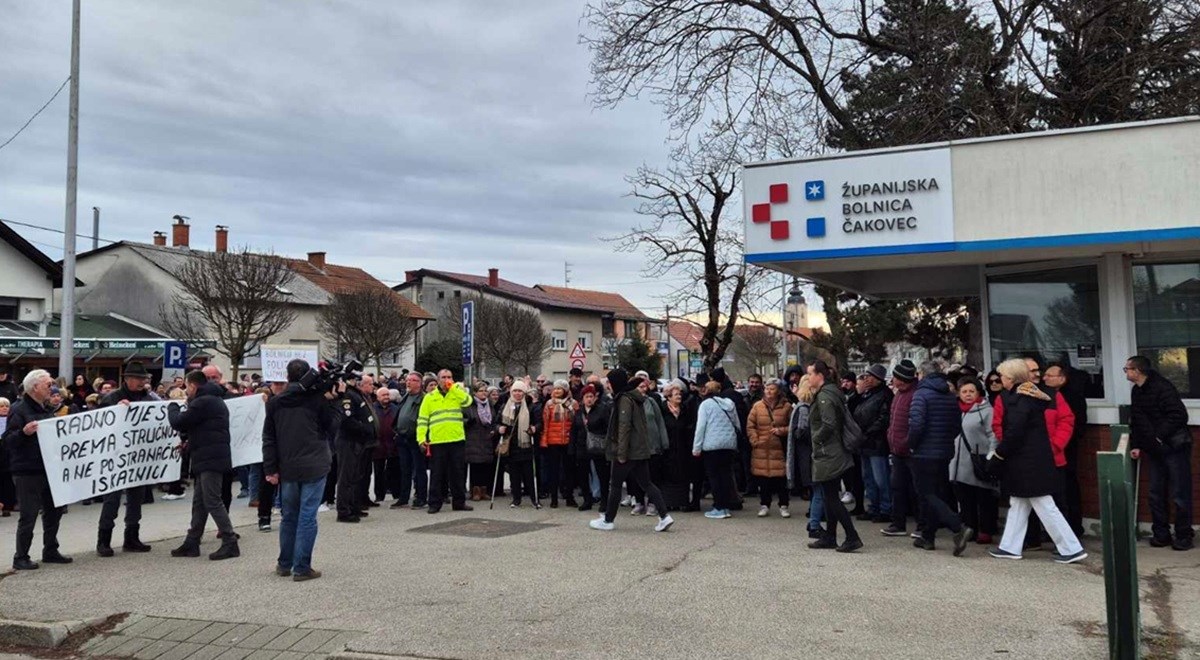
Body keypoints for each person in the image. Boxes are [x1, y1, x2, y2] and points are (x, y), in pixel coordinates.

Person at [988, 359, 1087, 563]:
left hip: (1027, 461)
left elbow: (1014, 432)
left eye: (1004, 376)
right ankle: (1010, 546)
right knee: (1019, 503)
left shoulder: (1019, 399)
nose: (1001, 380)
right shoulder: (1030, 396)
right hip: (1032, 459)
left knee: (1043, 503)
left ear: (1012, 377)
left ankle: (1070, 548)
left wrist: (999, 454)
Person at [262, 359, 336, 581]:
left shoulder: (276, 402)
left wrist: (270, 467)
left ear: (287, 376)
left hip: (288, 466)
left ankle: (285, 563)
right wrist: (336, 400)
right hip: (314, 464)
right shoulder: (316, 399)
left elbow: (269, 437)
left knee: (289, 516)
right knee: (307, 516)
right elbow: (332, 426)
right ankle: (302, 567)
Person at [590, 369, 674, 532]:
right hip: (639, 449)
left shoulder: (624, 399)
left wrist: (621, 453)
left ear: (615, 383)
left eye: (609, 382)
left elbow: (624, 427)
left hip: (628, 451)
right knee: (647, 483)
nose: (608, 385)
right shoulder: (635, 398)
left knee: (615, 485)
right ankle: (664, 516)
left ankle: (608, 520)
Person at [167, 370, 239, 560]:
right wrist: (190, 444)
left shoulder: (203, 401)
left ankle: (230, 541)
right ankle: (192, 541)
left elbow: (179, 422)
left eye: (187, 387)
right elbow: (204, 429)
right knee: (200, 502)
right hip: (208, 456)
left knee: (212, 500)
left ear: (193, 385)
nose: (186, 391)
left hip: (210, 459)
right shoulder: (213, 400)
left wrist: (172, 407)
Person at [5, 370, 72, 570]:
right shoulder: (19, 409)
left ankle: (50, 549)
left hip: (49, 468)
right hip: (28, 471)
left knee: (54, 511)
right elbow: (8, 441)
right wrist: (24, 433)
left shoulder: (46, 408)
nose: (51, 388)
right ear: (35, 387)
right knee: (29, 514)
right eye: (47, 384)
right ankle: (21, 556)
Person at [1127, 355, 1193, 551]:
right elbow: (1137, 419)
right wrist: (1137, 444)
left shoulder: (1162, 387)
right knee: (1155, 493)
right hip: (1155, 448)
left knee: (1179, 493)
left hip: (1174, 446)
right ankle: (1161, 534)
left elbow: (1179, 415)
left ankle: (1183, 535)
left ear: (1137, 371)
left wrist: (1158, 436)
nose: (1126, 372)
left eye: (1127, 369)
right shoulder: (1137, 391)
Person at [908, 362, 972, 555]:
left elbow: (916, 424)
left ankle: (957, 526)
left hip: (924, 452)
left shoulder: (921, 394)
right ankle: (928, 536)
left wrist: (912, 443)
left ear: (922, 374)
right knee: (935, 493)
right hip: (944, 451)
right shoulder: (949, 395)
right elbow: (955, 425)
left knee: (926, 493)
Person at [95, 361, 156, 557]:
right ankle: (103, 541)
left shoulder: (148, 399)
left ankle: (131, 537)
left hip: (137, 457)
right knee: (112, 500)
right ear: (127, 379)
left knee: (136, 499)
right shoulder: (112, 398)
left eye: (143, 379)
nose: (142, 382)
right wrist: (116, 410)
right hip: (115, 457)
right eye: (138, 379)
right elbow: (98, 424)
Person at [806, 361, 861, 553]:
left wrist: (816, 438)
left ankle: (852, 536)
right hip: (832, 451)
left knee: (831, 497)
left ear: (820, 375)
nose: (808, 378)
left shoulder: (824, 397)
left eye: (810, 374)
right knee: (829, 495)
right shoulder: (831, 392)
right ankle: (830, 536)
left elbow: (829, 424)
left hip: (829, 452)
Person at [950, 378, 999, 545]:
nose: (968, 395)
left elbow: (993, 434)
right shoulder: (955, 410)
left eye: (972, 391)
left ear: (978, 392)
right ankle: (969, 528)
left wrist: (992, 453)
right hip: (957, 461)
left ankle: (986, 530)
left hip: (979, 459)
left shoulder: (986, 411)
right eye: (964, 392)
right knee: (965, 498)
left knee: (984, 497)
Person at [417, 370, 473, 514]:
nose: (446, 379)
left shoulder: (456, 393)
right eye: (444, 377)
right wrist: (421, 439)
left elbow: (468, 402)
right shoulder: (429, 397)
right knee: (437, 474)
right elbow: (422, 420)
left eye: (449, 377)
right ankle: (434, 503)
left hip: (456, 439)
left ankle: (459, 502)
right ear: (438, 379)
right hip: (438, 441)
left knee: (458, 473)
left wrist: (454, 388)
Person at [1043, 363, 1087, 537]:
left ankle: (1073, 527)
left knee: (1068, 490)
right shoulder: (1046, 395)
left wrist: (1059, 443)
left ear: (1062, 378)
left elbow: (1076, 425)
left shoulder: (1072, 397)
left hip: (1066, 450)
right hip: (1049, 451)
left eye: (1049, 375)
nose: (1045, 378)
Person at [692, 380, 739, 519]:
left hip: (712, 444)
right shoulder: (729, 404)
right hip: (729, 443)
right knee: (726, 475)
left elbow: (700, 427)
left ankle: (718, 506)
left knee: (714, 476)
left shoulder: (705, 405)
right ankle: (725, 506)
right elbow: (737, 423)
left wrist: (696, 447)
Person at [747, 380, 794, 518]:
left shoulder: (786, 407)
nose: (768, 391)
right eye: (766, 389)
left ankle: (784, 505)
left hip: (779, 448)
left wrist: (782, 430)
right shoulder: (757, 406)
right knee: (763, 479)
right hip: (761, 448)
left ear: (778, 391)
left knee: (780, 479)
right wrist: (755, 440)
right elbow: (750, 425)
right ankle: (764, 504)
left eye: (772, 389)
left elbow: (794, 425)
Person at [882, 359, 918, 537]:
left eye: (895, 377)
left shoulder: (915, 395)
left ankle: (921, 525)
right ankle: (898, 523)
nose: (893, 380)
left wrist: (906, 442)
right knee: (897, 487)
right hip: (896, 450)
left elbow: (916, 424)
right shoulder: (898, 394)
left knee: (916, 490)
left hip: (910, 451)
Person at [853, 365, 893, 523]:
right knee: (868, 477)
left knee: (880, 478)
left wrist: (868, 432)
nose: (866, 379)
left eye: (869, 376)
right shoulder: (866, 394)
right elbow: (853, 409)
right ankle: (873, 507)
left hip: (877, 442)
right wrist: (858, 393)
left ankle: (886, 508)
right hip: (864, 442)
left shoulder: (885, 394)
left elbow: (884, 418)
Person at [335, 372, 375, 523]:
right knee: (346, 476)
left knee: (355, 476)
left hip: (358, 441)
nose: (357, 382)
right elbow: (347, 419)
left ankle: (354, 506)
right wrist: (364, 428)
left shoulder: (356, 394)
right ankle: (344, 510)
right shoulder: (348, 395)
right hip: (348, 440)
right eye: (355, 379)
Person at [498, 380, 540, 508]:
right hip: (511, 445)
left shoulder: (530, 406)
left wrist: (535, 428)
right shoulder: (505, 406)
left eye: (520, 391)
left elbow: (539, 422)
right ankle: (516, 499)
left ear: (524, 392)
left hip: (526, 444)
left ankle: (534, 499)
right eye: (515, 391)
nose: (517, 393)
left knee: (529, 474)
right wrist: (499, 428)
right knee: (514, 475)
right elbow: (497, 422)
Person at [661, 380, 701, 512]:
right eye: (676, 394)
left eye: (680, 394)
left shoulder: (685, 410)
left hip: (683, 448)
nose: (679, 396)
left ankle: (682, 501)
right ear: (669, 396)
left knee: (683, 475)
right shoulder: (663, 410)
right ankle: (669, 502)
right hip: (668, 449)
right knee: (668, 475)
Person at [571, 384, 611, 511]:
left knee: (602, 475)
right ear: (582, 398)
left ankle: (604, 501)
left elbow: (607, 428)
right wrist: (572, 448)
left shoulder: (602, 410)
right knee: (583, 475)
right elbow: (574, 431)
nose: (589, 399)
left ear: (595, 398)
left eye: (591, 396)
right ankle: (587, 500)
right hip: (582, 447)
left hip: (598, 447)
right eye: (587, 396)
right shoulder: (579, 412)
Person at [540, 380, 577, 508]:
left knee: (569, 471)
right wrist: (544, 440)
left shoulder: (573, 404)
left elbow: (575, 422)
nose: (556, 391)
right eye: (555, 389)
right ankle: (554, 498)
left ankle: (569, 497)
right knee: (553, 471)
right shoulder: (549, 404)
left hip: (568, 441)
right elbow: (545, 423)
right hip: (553, 441)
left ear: (565, 390)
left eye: (560, 389)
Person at [393, 372, 427, 509]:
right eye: (407, 380)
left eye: (412, 380)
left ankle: (421, 497)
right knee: (405, 469)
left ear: (419, 383)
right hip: (402, 437)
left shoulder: (424, 399)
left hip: (415, 438)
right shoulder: (406, 396)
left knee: (419, 469)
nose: (408, 383)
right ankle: (404, 497)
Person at [464, 382, 499, 502]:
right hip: (473, 438)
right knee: (475, 466)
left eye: (485, 391)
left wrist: (494, 430)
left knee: (485, 466)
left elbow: (494, 420)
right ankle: (475, 491)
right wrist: (468, 421)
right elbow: (463, 419)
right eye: (481, 391)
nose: (483, 393)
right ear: (475, 393)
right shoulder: (470, 404)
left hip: (487, 438)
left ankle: (484, 490)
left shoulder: (489, 404)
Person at [371, 386, 402, 504]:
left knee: (394, 471)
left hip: (393, 445)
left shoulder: (395, 408)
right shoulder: (373, 408)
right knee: (378, 472)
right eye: (383, 395)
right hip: (378, 446)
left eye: (387, 395)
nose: (386, 397)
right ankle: (379, 496)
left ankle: (396, 494)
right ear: (378, 397)